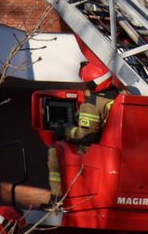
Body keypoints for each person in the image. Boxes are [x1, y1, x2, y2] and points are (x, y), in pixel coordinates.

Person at [48, 61, 119, 197]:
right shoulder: (122, 95)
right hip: (118, 148)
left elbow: (88, 136)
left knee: (55, 151)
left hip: (99, 149)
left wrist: (65, 130)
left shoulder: (92, 104)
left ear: (92, 83)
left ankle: (57, 197)